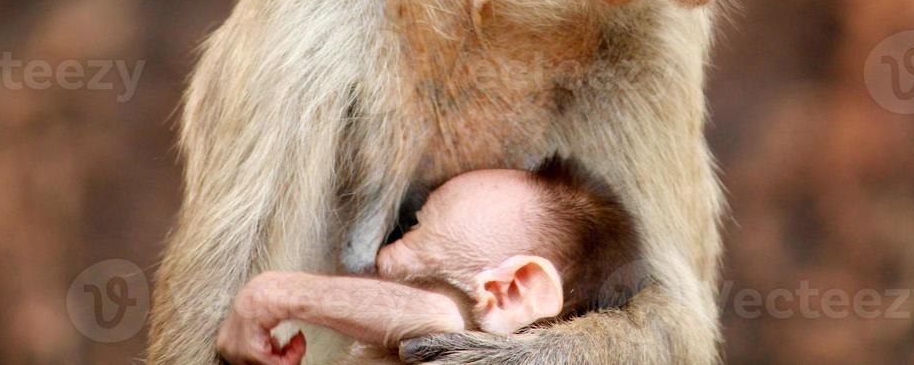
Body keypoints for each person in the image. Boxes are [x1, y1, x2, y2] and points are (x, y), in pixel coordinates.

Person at [217, 156, 645, 364]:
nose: (378, 253)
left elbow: (435, 312)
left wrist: (271, 295)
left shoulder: (459, 323)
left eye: (416, 226)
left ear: (509, 292)